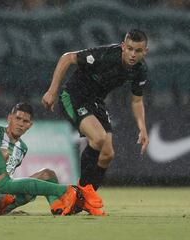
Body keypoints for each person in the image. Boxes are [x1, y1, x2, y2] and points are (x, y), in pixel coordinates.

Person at [42, 29, 150, 215]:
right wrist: (52, 90)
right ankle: (83, 192)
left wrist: (142, 128)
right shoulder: (105, 55)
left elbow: (137, 100)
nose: (133, 54)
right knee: (99, 139)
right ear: (123, 46)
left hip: (96, 102)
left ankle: (81, 202)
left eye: (138, 51)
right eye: (130, 48)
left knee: (107, 154)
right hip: (74, 96)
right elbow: (67, 58)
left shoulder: (140, 70)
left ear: (145, 51)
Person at [0, 103, 68, 215]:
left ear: (30, 125)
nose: (20, 124)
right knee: (1, 155)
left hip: (4, 195)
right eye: (18, 118)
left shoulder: (23, 148)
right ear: (9, 118)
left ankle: (59, 208)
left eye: (25, 121)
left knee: (48, 174)